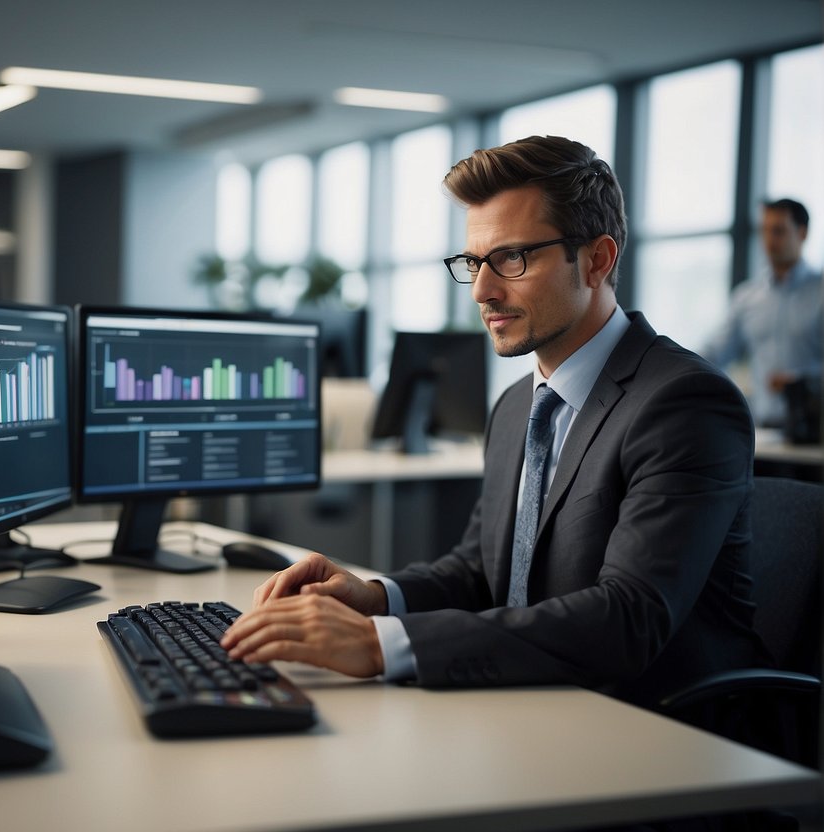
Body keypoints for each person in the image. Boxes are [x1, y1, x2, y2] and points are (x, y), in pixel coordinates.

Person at [222, 135, 769, 710]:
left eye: (513, 258)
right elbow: (484, 572)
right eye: (473, 262)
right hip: (535, 701)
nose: (482, 290)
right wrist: (378, 598)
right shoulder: (516, 406)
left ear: (597, 260)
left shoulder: (684, 402)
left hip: (660, 730)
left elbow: (628, 618)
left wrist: (382, 644)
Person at [701, 198, 822, 429]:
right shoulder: (747, 297)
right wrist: (673, 362)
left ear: (803, 233)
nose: (769, 241)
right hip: (763, 430)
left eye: (778, 231)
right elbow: (716, 353)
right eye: (764, 231)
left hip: (814, 436)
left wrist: (803, 381)